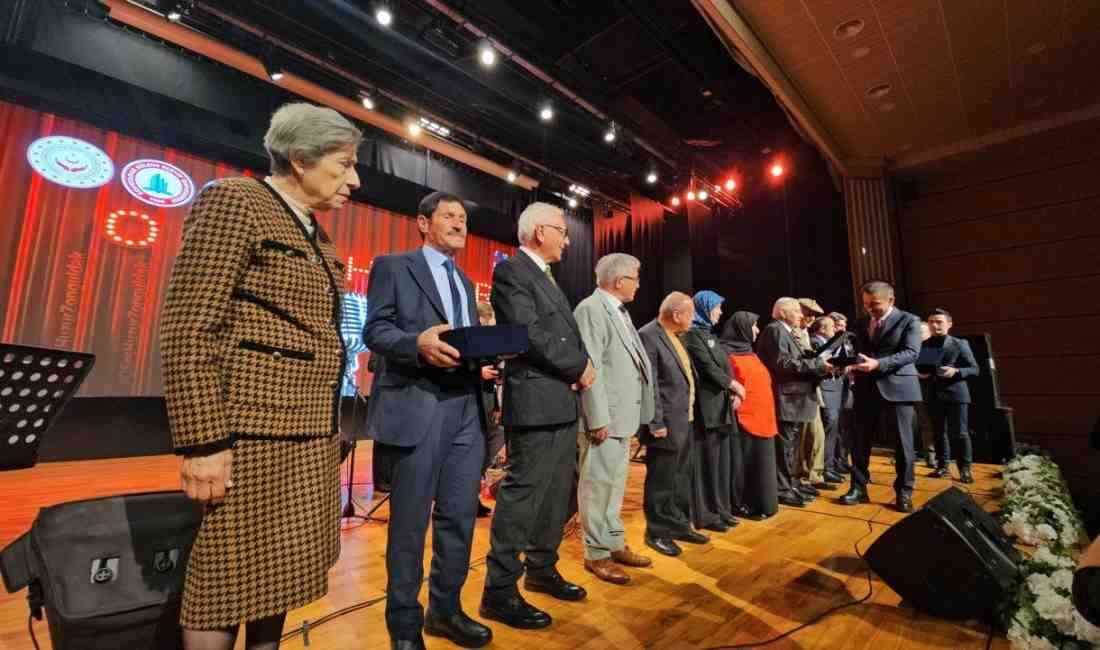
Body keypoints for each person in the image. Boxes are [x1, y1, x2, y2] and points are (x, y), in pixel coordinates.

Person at [160, 102, 361, 650]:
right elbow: (188, 326)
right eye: (343, 165)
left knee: (277, 579)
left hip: (308, 435)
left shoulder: (317, 234)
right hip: (251, 435)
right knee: (223, 584)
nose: (354, 179)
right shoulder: (238, 202)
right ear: (299, 158)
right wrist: (204, 442)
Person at [364, 191, 492, 650]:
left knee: (459, 518)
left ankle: (446, 612)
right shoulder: (394, 266)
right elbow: (374, 330)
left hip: (466, 410)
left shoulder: (464, 280)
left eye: (463, 217)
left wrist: (487, 356)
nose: (460, 223)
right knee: (410, 524)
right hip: (418, 405)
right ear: (423, 223)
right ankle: (403, 626)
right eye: (449, 216)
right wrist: (417, 343)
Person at [481, 202, 596, 630]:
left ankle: (542, 568)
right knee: (523, 496)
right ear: (537, 232)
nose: (567, 240)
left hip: (559, 401)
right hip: (535, 401)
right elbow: (529, 334)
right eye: (562, 231)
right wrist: (579, 366)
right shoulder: (513, 271)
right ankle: (499, 591)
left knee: (555, 494)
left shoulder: (545, 277)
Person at [572, 253, 655, 584]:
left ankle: (614, 542)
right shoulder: (591, 309)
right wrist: (597, 418)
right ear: (619, 281)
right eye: (635, 277)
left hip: (623, 416)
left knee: (615, 485)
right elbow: (591, 368)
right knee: (596, 487)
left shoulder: (619, 311)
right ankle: (597, 553)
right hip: (604, 419)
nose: (638, 283)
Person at [638, 292, 711, 557]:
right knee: (662, 480)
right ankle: (656, 532)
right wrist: (655, 421)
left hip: (685, 419)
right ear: (677, 315)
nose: (694, 319)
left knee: (681, 477)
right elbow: (650, 383)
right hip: (665, 423)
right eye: (690, 314)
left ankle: (679, 524)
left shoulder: (676, 337)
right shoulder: (648, 335)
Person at [841, 281, 923, 513]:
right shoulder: (860, 322)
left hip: (899, 389)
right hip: (866, 389)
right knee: (859, 442)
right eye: (866, 305)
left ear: (891, 300)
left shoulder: (909, 320)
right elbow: (856, 351)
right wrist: (850, 364)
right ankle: (858, 488)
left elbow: (911, 352)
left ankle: (904, 492)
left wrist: (878, 364)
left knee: (903, 445)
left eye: (875, 305)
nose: (870, 310)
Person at [757, 297, 833, 508]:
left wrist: (819, 366)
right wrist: (818, 364)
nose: (802, 315)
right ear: (782, 312)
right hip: (786, 399)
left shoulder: (784, 331)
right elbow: (783, 363)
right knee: (784, 449)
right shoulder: (775, 330)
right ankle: (783, 489)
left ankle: (791, 484)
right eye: (797, 311)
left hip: (795, 398)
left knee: (791, 449)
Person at [681, 290, 741, 532]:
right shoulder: (693, 335)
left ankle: (720, 509)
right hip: (706, 409)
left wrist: (733, 390)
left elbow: (725, 367)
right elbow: (707, 368)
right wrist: (734, 385)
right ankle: (705, 514)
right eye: (717, 307)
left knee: (720, 463)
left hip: (721, 406)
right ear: (705, 308)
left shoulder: (709, 334)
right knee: (706, 463)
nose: (720, 312)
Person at [720, 311, 779, 520]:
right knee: (747, 464)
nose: (757, 330)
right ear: (742, 328)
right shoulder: (725, 353)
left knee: (763, 463)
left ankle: (765, 503)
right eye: (754, 326)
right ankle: (746, 504)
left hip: (764, 416)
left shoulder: (750, 352)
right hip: (744, 419)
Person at [925, 308, 979, 483]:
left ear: (949, 324)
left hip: (956, 393)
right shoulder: (925, 345)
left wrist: (955, 371)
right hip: (933, 394)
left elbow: (974, 369)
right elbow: (924, 369)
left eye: (938, 322)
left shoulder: (959, 343)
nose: (934, 325)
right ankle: (942, 467)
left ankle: (965, 469)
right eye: (931, 322)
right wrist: (921, 373)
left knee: (960, 433)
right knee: (939, 433)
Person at [795, 298, 835, 490]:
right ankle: (803, 477)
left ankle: (815, 475)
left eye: (814, 315)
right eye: (807, 313)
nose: (811, 318)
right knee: (805, 436)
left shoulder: (805, 334)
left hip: (812, 389)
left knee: (816, 435)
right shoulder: (792, 334)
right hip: (798, 392)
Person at [476, 302, 506, 517]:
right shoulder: (470, 340)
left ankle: (475, 495)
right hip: (474, 403)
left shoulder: (488, 342)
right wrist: (479, 372)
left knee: (492, 445)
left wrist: (496, 406)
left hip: (489, 401)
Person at [810, 315, 845, 482]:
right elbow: (818, 363)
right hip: (824, 388)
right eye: (832, 327)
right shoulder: (815, 343)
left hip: (834, 387)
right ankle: (825, 467)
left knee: (833, 428)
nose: (835, 330)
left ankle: (830, 465)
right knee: (829, 426)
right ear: (822, 329)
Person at [828, 312, 855, 474]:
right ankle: (834, 462)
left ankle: (843, 460)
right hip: (833, 387)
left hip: (849, 386)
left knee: (846, 425)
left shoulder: (850, 341)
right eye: (839, 326)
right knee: (835, 425)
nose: (842, 329)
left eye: (844, 326)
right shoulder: (828, 343)